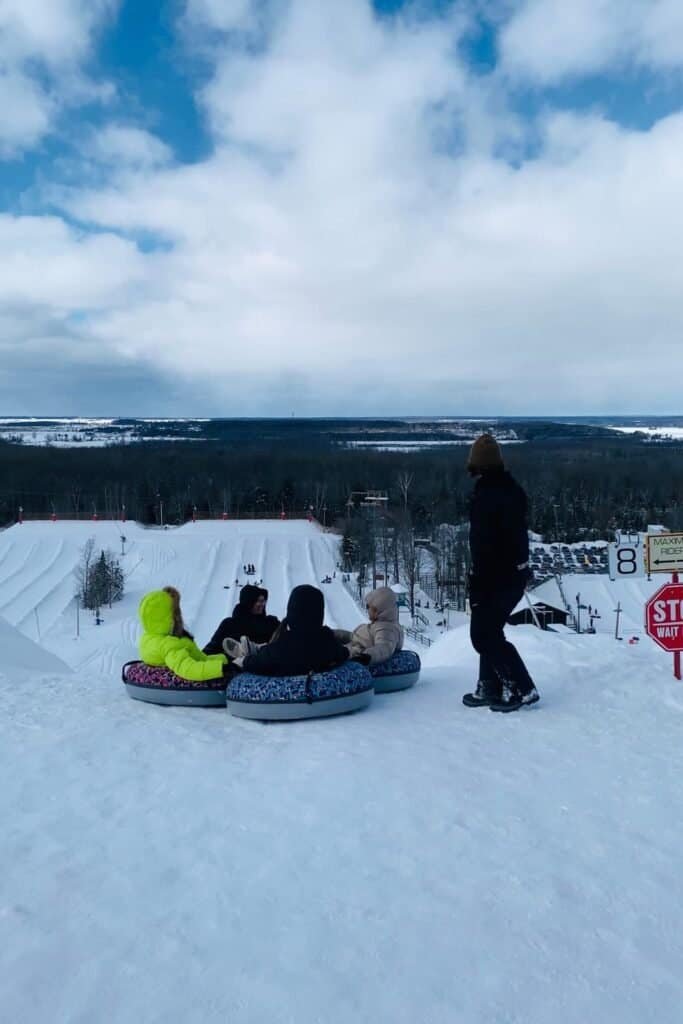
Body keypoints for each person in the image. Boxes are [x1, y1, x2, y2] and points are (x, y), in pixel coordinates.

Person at [462, 434, 540, 712]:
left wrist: (478, 582)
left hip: (496, 576)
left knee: (483, 634)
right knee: (490, 630)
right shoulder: (508, 489)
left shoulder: (488, 496)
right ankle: (489, 686)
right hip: (511, 574)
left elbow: (486, 544)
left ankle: (522, 687)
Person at [228, 584, 348, 677]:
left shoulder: (284, 645)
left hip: (278, 670)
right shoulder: (327, 641)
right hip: (320, 686)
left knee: (261, 654)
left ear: (292, 613)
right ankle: (254, 648)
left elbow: (262, 662)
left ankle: (250, 651)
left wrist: (244, 662)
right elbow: (342, 653)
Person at [138, 586, 231, 682]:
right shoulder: (168, 645)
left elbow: (201, 659)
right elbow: (190, 669)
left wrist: (225, 660)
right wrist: (223, 668)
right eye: (175, 613)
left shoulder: (149, 637)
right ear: (166, 619)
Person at [203, 584, 280, 655]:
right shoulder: (229, 624)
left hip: (266, 666)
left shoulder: (271, 622)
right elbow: (210, 650)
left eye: (263, 601)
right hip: (236, 667)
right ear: (249, 602)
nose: (262, 604)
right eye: (259, 601)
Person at [334, 587, 404, 666]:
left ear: (377, 610)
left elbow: (384, 648)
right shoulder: (379, 624)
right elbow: (353, 637)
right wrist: (334, 633)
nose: (367, 610)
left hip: (354, 653)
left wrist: (367, 656)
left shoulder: (387, 629)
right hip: (351, 648)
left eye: (368, 607)